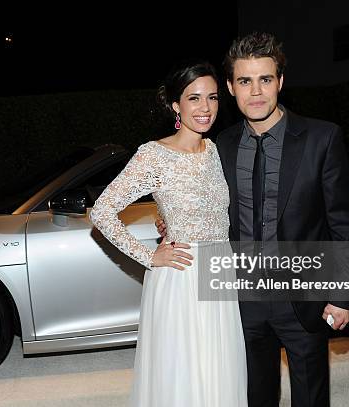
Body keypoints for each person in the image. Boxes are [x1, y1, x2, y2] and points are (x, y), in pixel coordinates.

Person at [157, 33, 349, 407]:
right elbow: (200, 200)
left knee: (311, 398)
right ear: (231, 89)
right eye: (245, 81)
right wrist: (169, 221)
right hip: (241, 302)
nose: (256, 91)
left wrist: (344, 295)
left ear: (280, 82)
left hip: (305, 299)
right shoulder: (221, 145)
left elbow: (345, 225)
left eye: (265, 79)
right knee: (253, 397)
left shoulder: (322, 138)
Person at [90, 60, 248, 406]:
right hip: (182, 275)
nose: (205, 108)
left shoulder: (217, 150)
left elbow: (204, 203)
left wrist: (164, 213)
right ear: (176, 105)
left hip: (221, 271)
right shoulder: (153, 155)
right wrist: (149, 255)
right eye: (194, 98)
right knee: (183, 374)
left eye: (212, 98)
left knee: (220, 369)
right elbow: (102, 211)